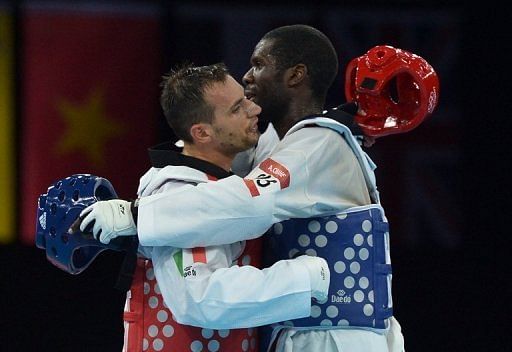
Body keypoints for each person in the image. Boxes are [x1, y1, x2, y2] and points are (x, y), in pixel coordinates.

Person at [80, 25, 404, 352]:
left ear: (295, 76)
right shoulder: (281, 142)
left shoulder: (317, 144)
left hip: (336, 337)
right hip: (301, 332)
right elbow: (205, 154)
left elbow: (248, 203)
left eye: (259, 64)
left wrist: (136, 215)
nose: (248, 77)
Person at [101, 62, 330, 351]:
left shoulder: (215, 181)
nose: (254, 110)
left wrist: (336, 129)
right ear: (203, 133)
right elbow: (202, 299)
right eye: (237, 108)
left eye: (246, 98)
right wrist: (305, 278)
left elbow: (275, 154)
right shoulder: (181, 192)